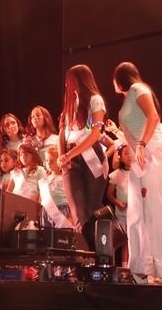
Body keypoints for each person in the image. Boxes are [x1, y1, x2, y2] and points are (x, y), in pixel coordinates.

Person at [113, 61, 162, 284]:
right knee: (137, 214)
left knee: (155, 209)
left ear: (120, 77)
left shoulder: (137, 88)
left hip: (150, 151)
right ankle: (142, 269)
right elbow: (133, 130)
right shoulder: (128, 98)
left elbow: (153, 116)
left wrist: (141, 144)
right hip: (138, 156)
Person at [57, 64, 108, 249]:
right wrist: (62, 156)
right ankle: (85, 255)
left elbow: (95, 133)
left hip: (91, 154)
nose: (66, 85)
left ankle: (97, 255)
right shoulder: (70, 103)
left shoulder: (95, 100)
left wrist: (68, 154)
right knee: (78, 211)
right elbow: (62, 132)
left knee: (93, 209)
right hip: (70, 159)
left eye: (69, 81)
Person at [106, 144, 130, 268]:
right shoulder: (116, 174)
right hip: (121, 214)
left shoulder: (139, 173)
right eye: (125, 153)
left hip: (136, 214)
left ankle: (133, 266)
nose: (129, 156)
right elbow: (109, 194)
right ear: (120, 156)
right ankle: (124, 267)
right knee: (123, 240)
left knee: (134, 240)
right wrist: (117, 202)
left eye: (131, 153)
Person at [41, 145, 71, 228]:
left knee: (61, 232)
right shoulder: (45, 178)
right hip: (46, 209)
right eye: (47, 160)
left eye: (52, 161)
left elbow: (69, 195)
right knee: (46, 232)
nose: (49, 163)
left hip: (61, 208)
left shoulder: (64, 177)